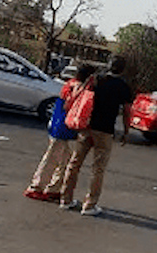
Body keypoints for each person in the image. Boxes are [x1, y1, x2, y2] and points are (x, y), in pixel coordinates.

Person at [59, 55, 133, 216]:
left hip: (87, 126)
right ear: (122, 69)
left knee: (74, 163)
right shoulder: (123, 86)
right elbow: (127, 111)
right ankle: (89, 205)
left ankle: (65, 199)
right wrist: (126, 131)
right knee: (98, 168)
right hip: (105, 130)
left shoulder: (96, 80)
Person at [24, 64, 93, 202]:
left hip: (58, 125)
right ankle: (38, 187)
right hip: (66, 127)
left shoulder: (69, 84)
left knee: (62, 160)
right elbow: (71, 106)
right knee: (55, 159)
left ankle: (53, 188)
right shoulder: (79, 89)